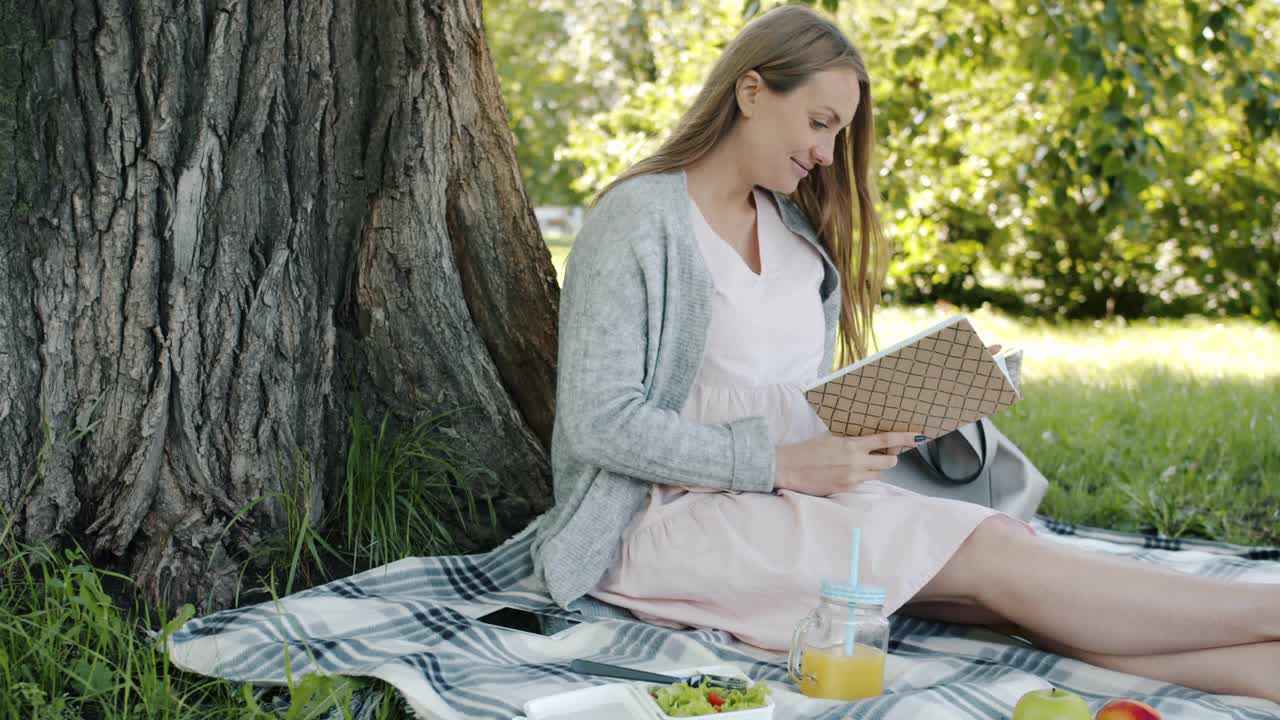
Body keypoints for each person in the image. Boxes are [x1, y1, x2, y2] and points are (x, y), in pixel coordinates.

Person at [530, 4, 1279, 703]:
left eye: (838, 135)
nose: (827, 155)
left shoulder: (794, 234)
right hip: (671, 521)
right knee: (994, 558)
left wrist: (888, 414)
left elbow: (786, 395)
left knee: (1011, 591)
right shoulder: (639, 220)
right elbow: (599, 422)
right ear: (750, 90)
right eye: (819, 124)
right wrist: (782, 464)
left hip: (795, 498)